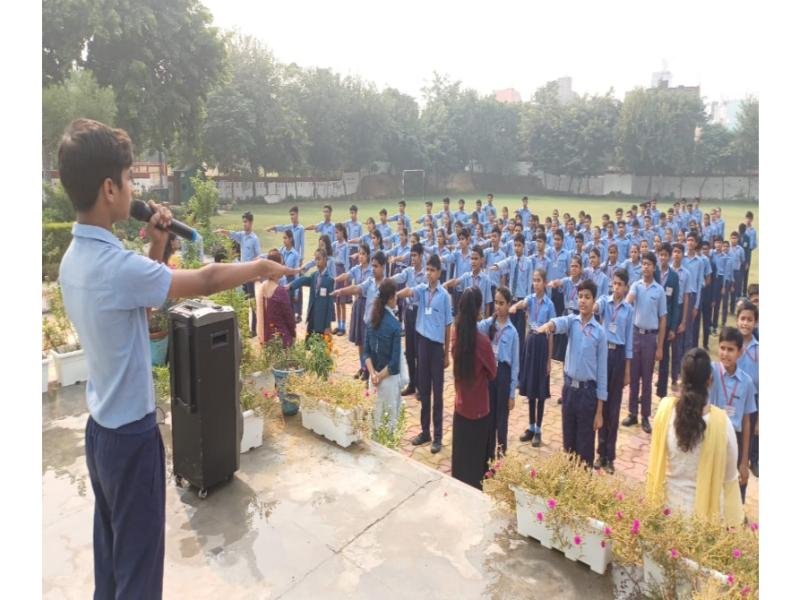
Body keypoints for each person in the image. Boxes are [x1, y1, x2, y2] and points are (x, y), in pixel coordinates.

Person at [56, 119, 297, 599]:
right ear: (109, 188)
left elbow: (138, 301)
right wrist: (260, 267)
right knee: (141, 574)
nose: (134, 188)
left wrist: (158, 244)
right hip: (131, 440)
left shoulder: (75, 260)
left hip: (101, 433)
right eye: (129, 180)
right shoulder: (116, 267)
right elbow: (205, 281)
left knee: (113, 561)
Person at [646, 348, 744, 526]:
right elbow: (729, 477)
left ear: (682, 379)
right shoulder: (722, 424)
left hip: (665, 515)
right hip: (703, 524)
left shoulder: (664, 411)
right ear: (709, 381)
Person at [535, 280, 607, 467]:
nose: (582, 301)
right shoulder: (572, 322)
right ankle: (568, 482)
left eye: (587, 297)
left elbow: (602, 375)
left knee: (585, 446)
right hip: (569, 392)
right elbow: (559, 322)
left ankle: (583, 486)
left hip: (587, 394)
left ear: (594, 300)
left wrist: (599, 412)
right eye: (580, 297)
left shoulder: (599, 333)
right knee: (568, 443)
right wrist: (548, 325)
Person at [396, 254, 453, 454]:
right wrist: (395, 295)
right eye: (427, 270)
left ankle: (438, 436)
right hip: (422, 344)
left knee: (437, 392)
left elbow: (448, 326)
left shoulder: (444, 296)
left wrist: (447, 354)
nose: (428, 273)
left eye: (432, 270)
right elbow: (408, 290)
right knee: (424, 390)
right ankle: (424, 431)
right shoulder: (421, 290)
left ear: (439, 272)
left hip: (437, 348)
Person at [451, 287, 497, 489]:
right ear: (479, 309)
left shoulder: (456, 336)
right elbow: (493, 373)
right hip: (479, 411)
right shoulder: (483, 342)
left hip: (461, 408)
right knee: (477, 466)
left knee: (461, 463)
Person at [593, 269, 633, 474]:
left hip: (618, 357)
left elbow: (628, 343)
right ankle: (599, 452)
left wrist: (627, 369)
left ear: (626, 287)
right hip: (603, 355)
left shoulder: (628, 310)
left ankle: (610, 456)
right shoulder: (604, 303)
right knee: (602, 402)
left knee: (614, 408)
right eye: (614, 284)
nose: (616, 288)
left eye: (620, 284)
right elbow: (596, 307)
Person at [710, 327, 757, 503]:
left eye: (730, 350)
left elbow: (746, 423)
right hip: (712, 435)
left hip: (734, 440)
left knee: (734, 489)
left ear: (740, 352)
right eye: (722, 348)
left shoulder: (747, 382)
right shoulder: (710, 372)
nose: (725, 354)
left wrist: (744, 460)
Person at [622, 251, 666, 434]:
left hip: (650, 338)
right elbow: (628, 300)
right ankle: (632, 412)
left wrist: (660, 346)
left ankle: (645, 416)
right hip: (635, 335)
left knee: (647, 379)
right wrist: (625, 301)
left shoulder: (659, 290)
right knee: (633, 377)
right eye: (644, 264)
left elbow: (663, 318)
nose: (646, 267)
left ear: (654, 267)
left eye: (649, 264)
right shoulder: (636, 286)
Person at [511, 269, 555, 447]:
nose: (535, 283)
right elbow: (522, 303)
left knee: (540, 390)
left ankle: (538, 429)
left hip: (542, 345)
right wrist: (514, 306)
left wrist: (549, 360)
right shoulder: (529, 299)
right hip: (530, 344)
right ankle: (530, 427)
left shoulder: (549, 305)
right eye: (534, 280)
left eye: (538, 280)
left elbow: (551, 334)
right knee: (530, 388)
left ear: (545, 283)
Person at [478, 286, 519, 459]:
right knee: (489, 417)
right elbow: (474, 328)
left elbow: (515, 365)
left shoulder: (513, 332)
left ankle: (501, 458)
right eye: (496, 302)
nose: (498, 306)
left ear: (509, 305)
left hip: (503, 375)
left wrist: (512, 394)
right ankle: (488, 455)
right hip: (489, 374)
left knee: (501, 420)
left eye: (502, 303)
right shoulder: (489, 325)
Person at [365, 279, 404, 433]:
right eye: (395, 296)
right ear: (389, 299)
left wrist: (373, 374)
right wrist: (380, 377)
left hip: (372, 378)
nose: (397, 299)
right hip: (388, 381)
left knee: (374, 422)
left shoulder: (371, 320)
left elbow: (366, 352)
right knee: (388, 426)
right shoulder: (394, 325)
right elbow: (394, 364)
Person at [214, 211, 262, 336]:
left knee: (252, 303)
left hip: (250, 275)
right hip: (242, 276)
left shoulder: (254, 239)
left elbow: (259, 256)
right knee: (243, 302)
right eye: (243, 222)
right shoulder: (242, 236)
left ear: (251, 222)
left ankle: (254, 329)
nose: (244, 224)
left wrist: (252, 266)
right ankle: (245, 329)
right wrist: (222, 231)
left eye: (246, 222)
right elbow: (232, 234)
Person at [391, 243, 427, 396]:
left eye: (415, 255)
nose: (412, 258)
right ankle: (412, 384)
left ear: (421, 256)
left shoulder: (426, 274)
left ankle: (420, 386)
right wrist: (386, 280)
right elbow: (397, 278)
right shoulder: (408, 272)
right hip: (409, 313)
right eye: (411, 255)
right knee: (410, 351)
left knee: (420, 352)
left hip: (421, 314)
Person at [335, 244, 372, 379]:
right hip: (358, 304)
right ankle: (362, 367)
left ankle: (369, 369)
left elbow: (360, 288)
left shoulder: (371, 271)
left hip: (368, 304)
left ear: (368, 255)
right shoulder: (357, 269)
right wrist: (335, 279)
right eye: (359, 254)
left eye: (363, 254)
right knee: (360, 340)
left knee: (367, 338)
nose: (360, 256)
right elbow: (347, 274)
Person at [654, 243, 682, 399]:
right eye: (661, 254)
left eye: (666, 255)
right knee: (648, 358)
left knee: (663, 357)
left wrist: (672, 328)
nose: (663, 257)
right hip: (652, 321)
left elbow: (676, 304)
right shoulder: (653, 272)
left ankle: (661, 391)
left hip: (667, 322)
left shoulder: (674, 276)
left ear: (669, 256)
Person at [735, 301, 759, 478]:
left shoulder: (759, 350)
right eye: (742, 318)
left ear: (755, 323)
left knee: (744, 446)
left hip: (751, 406)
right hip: (730, 401)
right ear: (737, 320)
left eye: (749, 320)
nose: (745, 323)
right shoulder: (730, 344)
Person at [288, 249, 335, 338]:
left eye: (319, 259)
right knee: (309, 346)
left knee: (321, 347)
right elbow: (303, 280)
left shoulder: (329, 280)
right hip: (312, 318)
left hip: (321, 322)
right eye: (315, 259)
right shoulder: (314, 275)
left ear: (325, 260)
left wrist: (328, 325)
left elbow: (330, 305)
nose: (317, 262)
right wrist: (290, 286)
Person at [256, 249, 296, 348]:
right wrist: (294, 335)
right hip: (281, 340)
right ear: (275, 267)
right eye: (281, 265)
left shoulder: (262, 286)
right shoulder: (280, 291)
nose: (283, 267)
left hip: (266, 338)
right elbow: (289, 319)